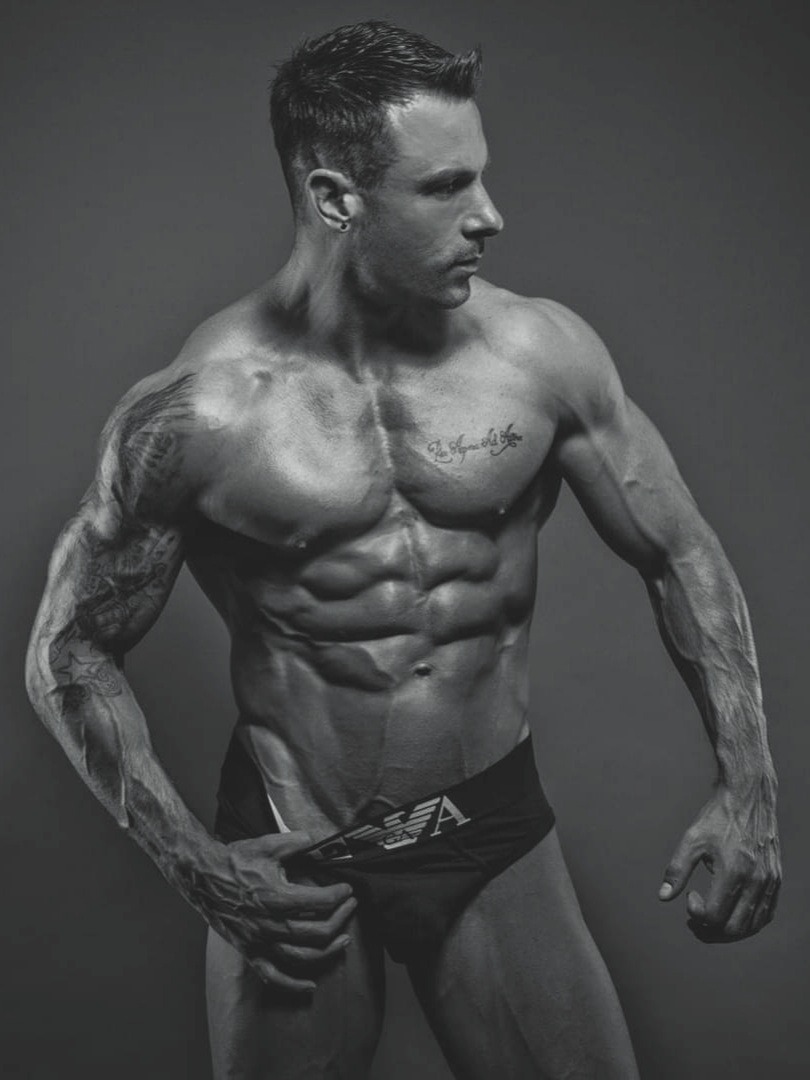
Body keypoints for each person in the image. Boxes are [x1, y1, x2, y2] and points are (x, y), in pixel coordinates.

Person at [25, 19, 781, 1080]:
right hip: (300, 844)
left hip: (485, 826)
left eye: (482, 176)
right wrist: (197, 864)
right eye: (445, 187)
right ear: (336, 198)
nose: (490, 215)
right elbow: (67, 650)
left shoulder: (541, 357)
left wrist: (749, 787)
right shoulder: (198, 417)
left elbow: (681, 553)